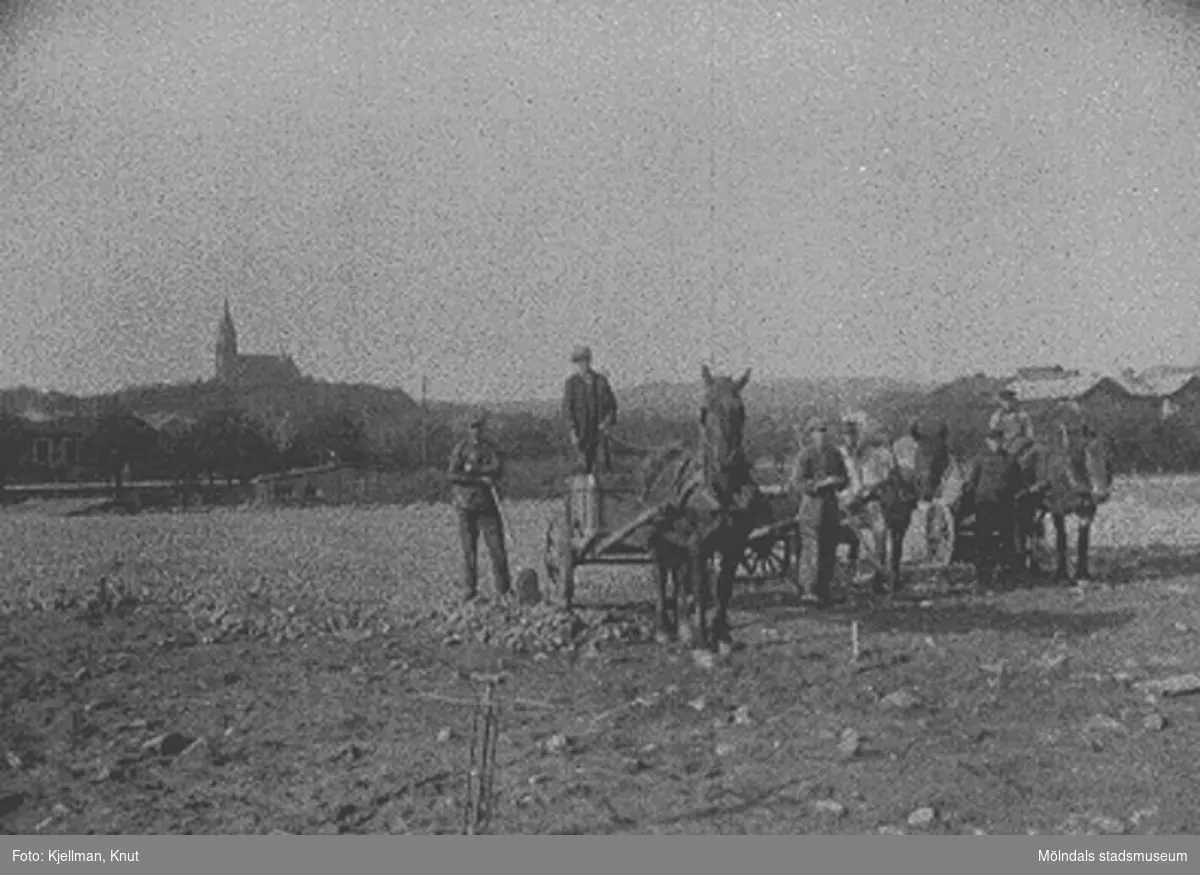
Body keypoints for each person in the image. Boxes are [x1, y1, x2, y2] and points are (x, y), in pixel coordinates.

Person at [447, 409, 511, 604]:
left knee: (497, 549)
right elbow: (452, 475)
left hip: (488, 506)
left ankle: (504, 590)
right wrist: (477, 476)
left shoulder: (490, 448)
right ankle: (469, 589)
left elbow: (498, 468)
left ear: (484, 428)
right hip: (465, 506)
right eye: (473, 427)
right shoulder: (461, 449)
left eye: (479, 427)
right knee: (469, 551)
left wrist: (477, 471)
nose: (476, 431)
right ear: (468, 429)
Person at [790, 417, 849, 606]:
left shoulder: (835, 454)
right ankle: (809, 589)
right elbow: (798, 482)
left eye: (824, 430)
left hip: (831, 507)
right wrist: (819, 484)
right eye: (818, 431)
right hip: (811, 507)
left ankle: (824, 588)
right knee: (812, 549)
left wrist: (837, 481)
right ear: (811, 435)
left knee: (829, 548)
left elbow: (845, 478)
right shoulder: (805, 455)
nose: (822, 434)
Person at [961, 427, 1022, 587]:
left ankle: (1006, 575)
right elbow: (972, 481)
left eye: (999, 440)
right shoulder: (980, 459)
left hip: (1005, 504)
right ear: (987, 442)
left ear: (1003, 441)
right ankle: (983, 575)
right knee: (983, 540)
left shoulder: (1011, 460)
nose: (996, 444)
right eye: (992, 441)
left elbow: (1018, 481)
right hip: (984, 503)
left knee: (1006, 539)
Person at [836, 413, 890, 591]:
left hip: (865, 502)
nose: (850, 439)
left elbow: (877, 481)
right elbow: (836, 481)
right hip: (843, 504)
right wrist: (845, 496)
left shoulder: (871, 454)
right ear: (842, 437)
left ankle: (879, 575)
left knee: (880, 528)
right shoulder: (839, 455)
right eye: (846, 435)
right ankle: (845, 574)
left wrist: (863, 493)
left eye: (853, 435)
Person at [562, 345, 618, 476]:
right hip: (581, 433)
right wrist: (572, 431)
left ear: (589, 361)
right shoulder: (571, 383)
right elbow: (567, 409)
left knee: (603, 466)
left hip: (599, 433)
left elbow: (612, 406)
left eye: (584, 360)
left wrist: (606, 422)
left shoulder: (601, 381)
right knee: (581, 468)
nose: (582, 365)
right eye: (578, 362)